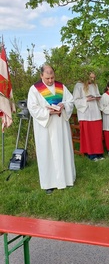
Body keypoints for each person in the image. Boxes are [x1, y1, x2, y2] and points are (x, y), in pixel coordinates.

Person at [27, 64, 76, 194]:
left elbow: (71, 101)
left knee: (63, 149)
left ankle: (67, 179)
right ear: (41, 75)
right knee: (47, 153)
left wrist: (64, 105)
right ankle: (49, 183)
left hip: (60, 125)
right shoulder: (35, 89)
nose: (50, 81)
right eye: (47, 78)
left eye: (52, 77)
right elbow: (32, 108)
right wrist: (47, 112)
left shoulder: (61, 87)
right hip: (46, 127)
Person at [73, 72, 104, 161]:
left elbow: (97, 95)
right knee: (89, 134)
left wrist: (98, 98)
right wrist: (86, 99)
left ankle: (98, 153)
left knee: (96, 134)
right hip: (85, 114)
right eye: (91, 78)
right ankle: (91, 154)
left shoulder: (95, 85)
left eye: (94, 78)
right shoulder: (78, 85)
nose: (93, 80)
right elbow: (75, 100)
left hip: (95, 112)